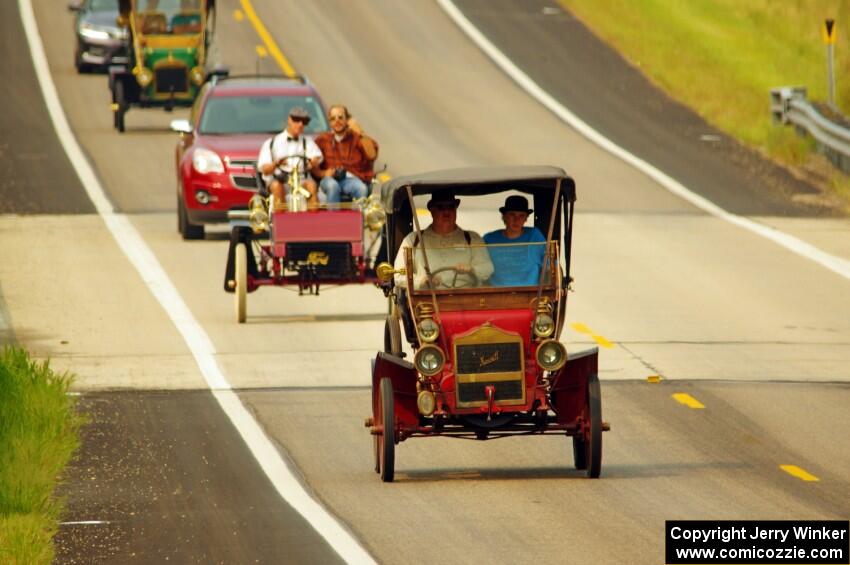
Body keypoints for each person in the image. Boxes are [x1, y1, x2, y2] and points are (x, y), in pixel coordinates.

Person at [394, 192, 494, 289]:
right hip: (426, 302)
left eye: (451, 207)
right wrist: (422, 281)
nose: (446, 212)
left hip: (465, 300)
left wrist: (472, 270)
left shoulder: (472, 238)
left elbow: (487, 269)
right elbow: (398, 276)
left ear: (455, 210)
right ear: (432, 211)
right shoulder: (413, 240)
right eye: (440, 207)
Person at [256, 107, 323, 207]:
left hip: (301, 180)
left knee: (311, 185)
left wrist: (313, 162)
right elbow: (265, 169)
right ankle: (281, 220)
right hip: (280, 180)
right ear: (289, 120)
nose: (300, 124)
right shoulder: (272, 143)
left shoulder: (307, 142)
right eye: (296, 120)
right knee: (276, 186)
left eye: (304, 122)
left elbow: (317, 157)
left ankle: (312, 220)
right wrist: (276, 164)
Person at [314, 104, 379, 203]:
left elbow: (372, 155)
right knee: (332, 186)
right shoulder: (322, 140)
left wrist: (360, 132)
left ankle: (358, 218)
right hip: (330, 180)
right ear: (329, 122)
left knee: (361, 189)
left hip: (351, 180)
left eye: (340, 117)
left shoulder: (357, 138)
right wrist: (324, 173)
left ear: (347, 120)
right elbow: (312, 167)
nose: (337, 121)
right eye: (333, 119)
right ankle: (333, 218)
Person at [483, 195, 547, 286]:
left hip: (530, 296)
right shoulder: (489, 239)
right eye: (512, 214)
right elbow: (480, 268)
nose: (516, 220)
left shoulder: (534, 236)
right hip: (496, 295)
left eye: (521, 216)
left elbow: (551, 266)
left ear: (526, 218)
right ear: (504, 216)